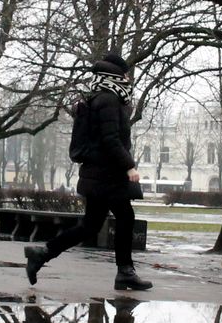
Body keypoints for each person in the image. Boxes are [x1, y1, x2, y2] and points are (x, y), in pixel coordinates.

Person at [24, 51, 152, 291]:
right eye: (126, 73)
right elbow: (111, 139)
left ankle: (42, 254)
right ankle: (125, 272)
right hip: (107, 175)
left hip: (98, 174)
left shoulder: (100, 97)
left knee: (91, 225)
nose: (128, 78)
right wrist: (129, 166)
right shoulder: (109, 100)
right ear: (116, 74)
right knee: (125, 218)